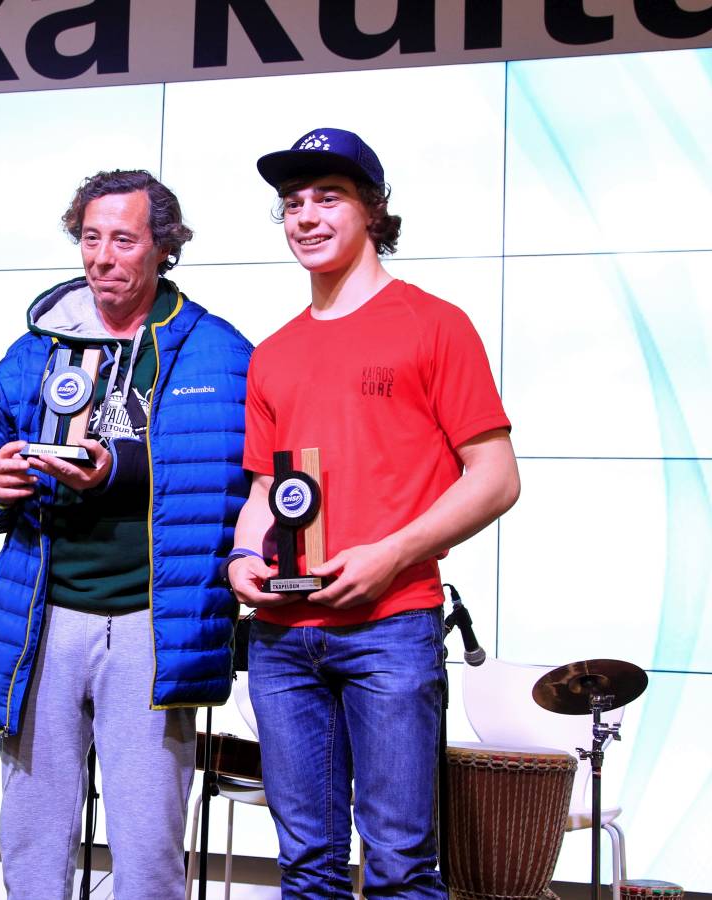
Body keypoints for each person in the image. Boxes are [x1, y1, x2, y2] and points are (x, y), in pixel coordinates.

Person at [226, 129, 520, 898]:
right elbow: (266, 492)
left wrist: (390, 554)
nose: (306, 217)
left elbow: (495, 478)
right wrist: (241, 562)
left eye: (329, 197)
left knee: (397, 867)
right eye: (292, 203)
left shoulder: (433, 324)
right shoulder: (274, 352)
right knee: (306, 870)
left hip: (391, 626)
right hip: (283, 642)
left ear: (373, 210)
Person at [0, 169, 251, 900]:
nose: (102, 257)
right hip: (43, 618)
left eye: (123, 239)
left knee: (149, 847)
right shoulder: (34, 350)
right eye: (90, 238)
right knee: (32, 838)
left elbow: (239, 480)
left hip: (156, 626)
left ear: (163, 248)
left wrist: (122, 467)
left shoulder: (220, 352)